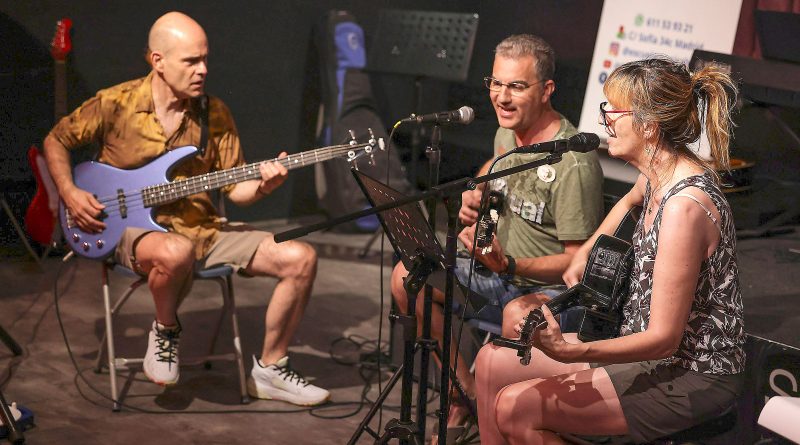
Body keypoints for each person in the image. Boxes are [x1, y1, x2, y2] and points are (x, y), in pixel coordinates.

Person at [43, 11, 329, 406]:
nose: (203, 70)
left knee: (300, 257)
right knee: (175, 251)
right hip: (130, 231)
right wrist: (70, 192)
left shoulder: (215, 114)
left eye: (205, 59)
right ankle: (165, 330)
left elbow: (235, 189)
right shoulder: (115, 103)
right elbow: (56, 140)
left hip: (202, 229)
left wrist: (264, 185)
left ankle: (271, 369)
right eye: (191, 61)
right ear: (157, 61)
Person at [474, 57, 746, 444]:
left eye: (613, 111)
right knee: (489, 363)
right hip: (648, 357)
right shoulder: (657, 173)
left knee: (515, 408)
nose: (605, 120)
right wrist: (586, 249)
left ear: (649, 126)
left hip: (691, 374)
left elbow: (664, 340)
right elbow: (628, 201)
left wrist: (571, 351)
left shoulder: (685, 207)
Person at [389, 34, 604, 438]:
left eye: (517, 86)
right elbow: (498, 161)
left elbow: (579, 263)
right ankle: (465, 394)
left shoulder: (572, 164)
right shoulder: (508, 131)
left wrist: (510, 264)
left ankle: (493, 420)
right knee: (406, 277)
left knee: (515, 315)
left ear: (546, 90)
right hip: (496, 276)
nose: (502, 97)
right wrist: (478, 187)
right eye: (496, 83)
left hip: (547, 292)